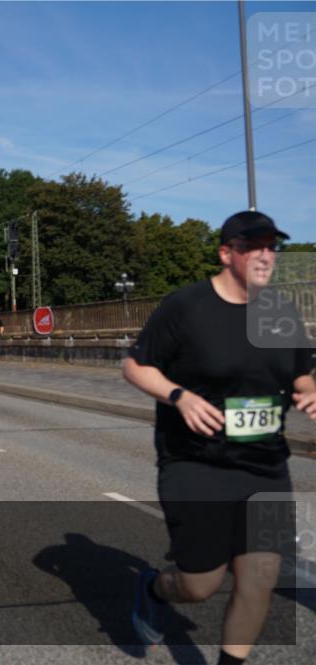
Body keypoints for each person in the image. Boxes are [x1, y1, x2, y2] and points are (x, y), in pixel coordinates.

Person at [123, 210, 315, 663]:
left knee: (260, 578)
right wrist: (179, 396)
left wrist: (311, 396)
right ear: (226, 253)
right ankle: (152, 587)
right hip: (195, 463)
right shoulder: (186, 307)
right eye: (255, 246)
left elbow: (303, 379)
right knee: (200, 583)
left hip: (266, 466)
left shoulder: (281, 314)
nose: (267, 255)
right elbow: (134, 365)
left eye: (273, 246)